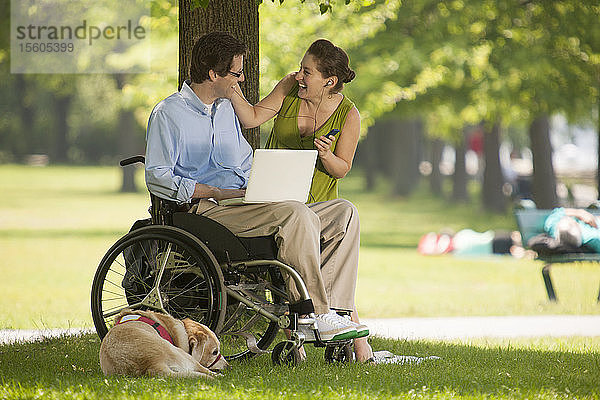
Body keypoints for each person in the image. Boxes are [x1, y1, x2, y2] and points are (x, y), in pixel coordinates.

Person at [144, 32, 368, 350]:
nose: (243, 78)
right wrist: (211, 191)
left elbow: (243, 159)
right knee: (295, 212)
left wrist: (268, 178)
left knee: (344, 212)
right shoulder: (169, 114)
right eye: (237, 73)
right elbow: (156, 176)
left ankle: (334, 311)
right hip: (207, 209)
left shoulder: (224, 110)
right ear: (213, 75)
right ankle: (311, 314)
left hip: (246, 201)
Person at [225, 39, 371, 362]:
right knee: (298, 219)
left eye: (308, 71)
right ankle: (337, 330)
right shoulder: (290, 88)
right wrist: (230, 82)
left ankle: (335, 319)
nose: (299, 75)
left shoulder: (349, 115)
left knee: (347, 212)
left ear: (329, 81)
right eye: (301, 68)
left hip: (316, 204)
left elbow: (342, 169)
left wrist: (327, 155)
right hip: (274, 204)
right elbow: (251, 117)